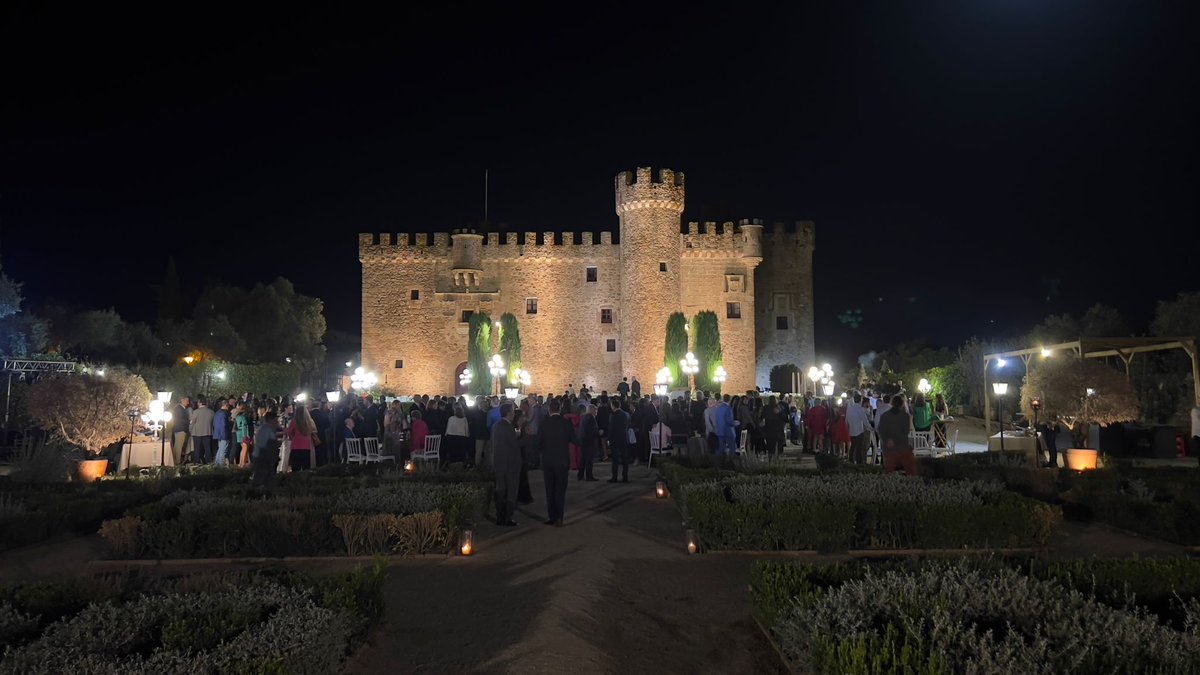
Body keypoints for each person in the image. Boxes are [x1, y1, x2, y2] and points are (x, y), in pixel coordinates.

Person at [537, 399, 573, 526]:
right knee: (560, 490)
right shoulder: (566, 424)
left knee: (550, 489)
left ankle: (552, 516)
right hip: (562, 460)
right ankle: (559, 517)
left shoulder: (544, 423)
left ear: (549, 409)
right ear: (560, 408)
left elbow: (539, 443)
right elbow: (573, 439)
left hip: (548, 460)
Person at [491, 403, 521, 526]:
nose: (514, 414)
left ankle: (499, 516)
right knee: (510, 491)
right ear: (508, 413)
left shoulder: (496, 426)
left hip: (498, 462)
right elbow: (514, 446)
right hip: (510, 463)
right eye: (513, 411)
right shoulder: (509, 427)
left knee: (500, 489)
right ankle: (507, 517)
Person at [877, 394, 916, 476]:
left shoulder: (884, 416)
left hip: (888, 448)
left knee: (889, 472)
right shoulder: (905, 416)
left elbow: (881, 430)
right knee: (911, 471)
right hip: (902, 447)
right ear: (902, 404)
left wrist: (888, 440)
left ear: (892, 404)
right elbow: (905, 432)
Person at [251, 410, 281, 487]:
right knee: (263, 479)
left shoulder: (266, 428)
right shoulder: (266, 429)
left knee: (264, 479)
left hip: (262, 457)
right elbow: (266, 446)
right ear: (271, 419)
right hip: (263, 458)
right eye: (276, 419)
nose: (277, 422)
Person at [285, 405, 317, 471]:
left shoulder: (294, 421)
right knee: (306, 469)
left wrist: (292, 438)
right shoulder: (310, 421)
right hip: (306, 447)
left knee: (295, 469)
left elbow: (289, 432)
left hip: (295, 446)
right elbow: (314, 431)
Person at [607, 398, 632, 482]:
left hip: (615, 439)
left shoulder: (613, 415)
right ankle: (625, 477)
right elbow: (628, 425)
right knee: (625, 458)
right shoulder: (626, 414)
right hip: (624, 438)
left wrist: (609, 438)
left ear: (613, 406)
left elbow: (611, 428)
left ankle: (615, 477)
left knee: (615, 459)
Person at [847, 394, 873, 465]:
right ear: (860, 400)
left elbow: (847, 419)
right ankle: (859, 462)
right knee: (859, 447)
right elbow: (864, 420)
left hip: (852, 430)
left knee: (853, 446)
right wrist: (870, 427)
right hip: (859, 430)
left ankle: (851, 460)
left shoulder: (850, 409)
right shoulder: (860, 409)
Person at [577, 403, 599, 481]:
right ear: (592, 410)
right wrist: (598, 433)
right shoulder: (591, 418)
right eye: (595, 410)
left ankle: (580, 475)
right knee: (589, 460)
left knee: (583, 459)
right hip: (589, 442)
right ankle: (589, 476)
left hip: (583, 441)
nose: (596, 412)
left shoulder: (584, 417)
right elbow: (591, 431)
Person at [189, 396, 215, 464]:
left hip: (197, 432)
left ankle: (196, 462)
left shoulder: (196, 411)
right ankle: (208, 461)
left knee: (197, 449)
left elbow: (192, 421)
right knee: (207, 448)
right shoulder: (211, 412)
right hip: (208, 432)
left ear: (200, 403)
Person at [170, 396, 191, 464]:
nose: (188, 403)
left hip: (179, 429)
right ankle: (177, 461)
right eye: (187, 401)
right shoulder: (179, 409)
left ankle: (175, 460)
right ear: (182, 400)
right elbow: (180, 420)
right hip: (180, 429)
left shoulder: (179, 408)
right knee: (179, 446)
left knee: (177, 446)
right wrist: (190, 421)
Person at [213, 400, 231, 466]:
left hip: (217, 434)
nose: (228, 408)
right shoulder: (225, 413)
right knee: (223, 451)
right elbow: (224, 425)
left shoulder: (217, 413)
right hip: (224, 434)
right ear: (225, 405)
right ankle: (221, 467)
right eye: (228, 406)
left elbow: (214, 424)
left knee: (220, 450)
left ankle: (216, 464)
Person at [234, 403, 252, 468]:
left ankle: (241, 463)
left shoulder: (238, 416)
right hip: (244, 434)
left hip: (238, 433)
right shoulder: (244, 417)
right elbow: (244, 426)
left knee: (243, 449)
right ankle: (243, 463)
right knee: (245, 449)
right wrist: (246, 436)